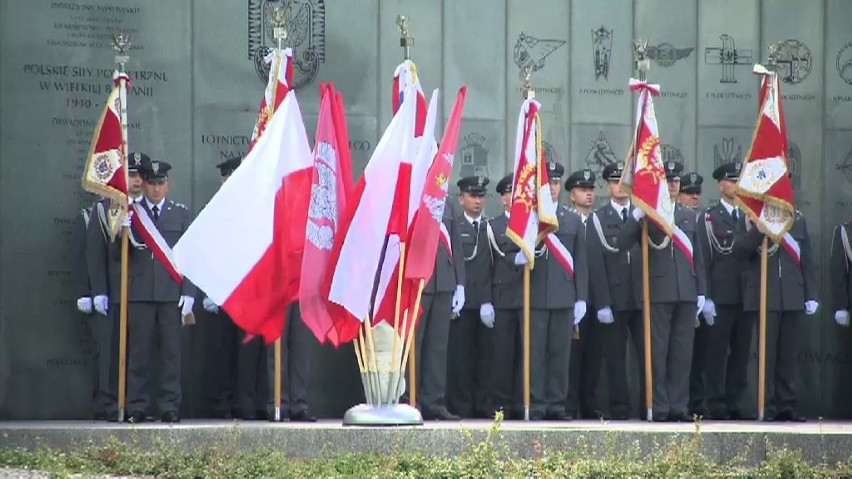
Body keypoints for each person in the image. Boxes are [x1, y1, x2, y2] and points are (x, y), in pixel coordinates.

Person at [618, 160, 707, 421]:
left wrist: (701, 290)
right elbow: (621, 243)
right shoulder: (647, 214)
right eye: (668, 180)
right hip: (657, 291)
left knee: (682, 353)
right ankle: (659, 406)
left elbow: (698, 256)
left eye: (676, 181)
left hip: (686, 292)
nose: (673, 185)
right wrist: (636, 217)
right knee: (657, 352)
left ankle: (678, 406)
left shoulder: (689, 216)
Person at [515, 161, 588, 420]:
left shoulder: (571, 220)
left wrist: (581, 298)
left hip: (564, 297)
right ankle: (537, 404)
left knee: (560, 354)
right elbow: (514, 257)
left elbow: (581, 262)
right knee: (535, 355)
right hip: (534, 296)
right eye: (549, 183)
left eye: (556, 183)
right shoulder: (530, 218)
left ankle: (557, 405)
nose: (553, 187)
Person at [124, 159, 195, 423]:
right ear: (144, 184)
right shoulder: (131, 212)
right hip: (140, 292)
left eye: (160, 183)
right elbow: (120, 255)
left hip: (170, 294)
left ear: (168, 185)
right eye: (151, 183)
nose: (155, 189)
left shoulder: (181, 214)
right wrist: (120, 229)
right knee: (139, 353)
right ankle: (138, 405)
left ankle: (169, 405)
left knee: (170, 353)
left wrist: (189, 292)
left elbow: (191, 256)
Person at [733, 205, 817, 422]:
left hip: (792, 294)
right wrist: (758, 230)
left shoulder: (796, 219)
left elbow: (806, 258)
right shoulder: (751, 218)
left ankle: (787, 405)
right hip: (765, 295)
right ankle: (767, 405)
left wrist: (810, 293)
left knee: (788, 356)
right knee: (766, 355)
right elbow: (739, 250)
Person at [203, 157, 268, 420]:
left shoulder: (257, 210)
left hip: (250, 294)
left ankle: (247, 405)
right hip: (222, 293)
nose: (231, 181)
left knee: (249, 355)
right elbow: (206, 251)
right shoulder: (213, 210)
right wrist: (208, 290)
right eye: (227, 177)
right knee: (222, 352)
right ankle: (221, 404)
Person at [86, 151, 147, 421]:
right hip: (114, 292)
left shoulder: (146, 211)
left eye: (139, 176)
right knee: (112, 354)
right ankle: (110, 403)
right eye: (131, 175)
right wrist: (98, 289)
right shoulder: (105, 209)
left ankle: (134, 404)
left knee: (138, 353)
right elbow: (94, 253)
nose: (136, 181)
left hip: (142, 294)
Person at [586, 162, 642, 420]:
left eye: (624, 180)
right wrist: (603, 303)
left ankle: (648, 406)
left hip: (642, 296)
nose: (620, 186)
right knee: (615, 359)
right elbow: (596, 264)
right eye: (615, 181)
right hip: (615, 297)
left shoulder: (643, 214)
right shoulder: (598, 218)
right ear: (608, 186)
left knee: (647, 355)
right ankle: (620, 408)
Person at [698, 162, 753, 420]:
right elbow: (704, 259)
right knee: (717, 354)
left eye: (738, 180)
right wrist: (706, 296)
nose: (735, 185)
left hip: (747, 295)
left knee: (741, 354)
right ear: (720, 185)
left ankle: (735, 402)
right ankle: (716, 403)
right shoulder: (709, 217)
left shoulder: (751, 215)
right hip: (721, 296)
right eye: (731, 181)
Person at [407, 199, 465, 421]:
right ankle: (409, 399)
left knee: (438, 347)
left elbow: (455, 245)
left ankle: (434, 401)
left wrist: (460, 283)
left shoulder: (447, 202)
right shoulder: (411, 191)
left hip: (444, 281)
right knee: (414, 345)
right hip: (417, 282)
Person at [446, 175, 494, 418]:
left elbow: (492, 268)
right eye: (472, 196)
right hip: (461, 304)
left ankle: (483, 405)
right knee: (460, 359)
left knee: (486, 360)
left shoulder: (491, 227)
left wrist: (489, 300)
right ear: (461, 198)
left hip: (485, 303)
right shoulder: (454, 226)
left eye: (481, 196)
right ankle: (461, 406)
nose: (477, 201)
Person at [564, 168, 608, 419]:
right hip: (572, 301)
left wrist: (605, 302)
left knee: (594, 358)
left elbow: (605, 266)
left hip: (596, 301)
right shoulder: (566, 222)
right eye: (583, 190)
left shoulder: (599, 222)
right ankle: (570, 406)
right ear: (572, 195)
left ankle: (590, 405)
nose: (589, 194)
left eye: (591, 190)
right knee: (572, 358)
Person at [487, 174, 524, 418]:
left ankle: (523, 402)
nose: (515, 197)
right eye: (510, 193)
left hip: (528, 299)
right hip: (502, 299)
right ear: (502, 198)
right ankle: (501, 404)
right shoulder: (495, 225)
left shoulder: (532, 224)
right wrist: (486, 300)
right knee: (501, 356)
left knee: (525, 355)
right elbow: (488, 264)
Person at [72, 202, 99, 418]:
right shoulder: (90, 216)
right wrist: (84, 291)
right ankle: (103, 403)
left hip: (130, 296)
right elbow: (81, 256)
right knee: (104, 353)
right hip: (98, 296)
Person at [267, 302, 317, 422]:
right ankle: (278, 404)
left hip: (301, 290)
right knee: (277, 350)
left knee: (301, 347)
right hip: (279, 289)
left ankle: (299, 405)